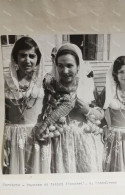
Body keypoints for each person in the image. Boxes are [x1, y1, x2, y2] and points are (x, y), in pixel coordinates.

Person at [35, 43, 104, 173]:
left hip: (83, 139)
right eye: (60, 65)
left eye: (69, 65)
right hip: (58, 141)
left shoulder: (86, 86)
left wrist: (87, 110)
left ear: (78, 67)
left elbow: (100, 114)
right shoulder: (50, 87)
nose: (64, 71)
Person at [3, 36, 51, 174]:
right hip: (12, 139)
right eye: (23, 55)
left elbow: (52, 108)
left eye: (32, 56)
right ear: (15, 57)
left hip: (37, 138)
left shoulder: (45, 82)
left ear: (38, 59)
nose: (27, 60)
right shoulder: (5, 82)